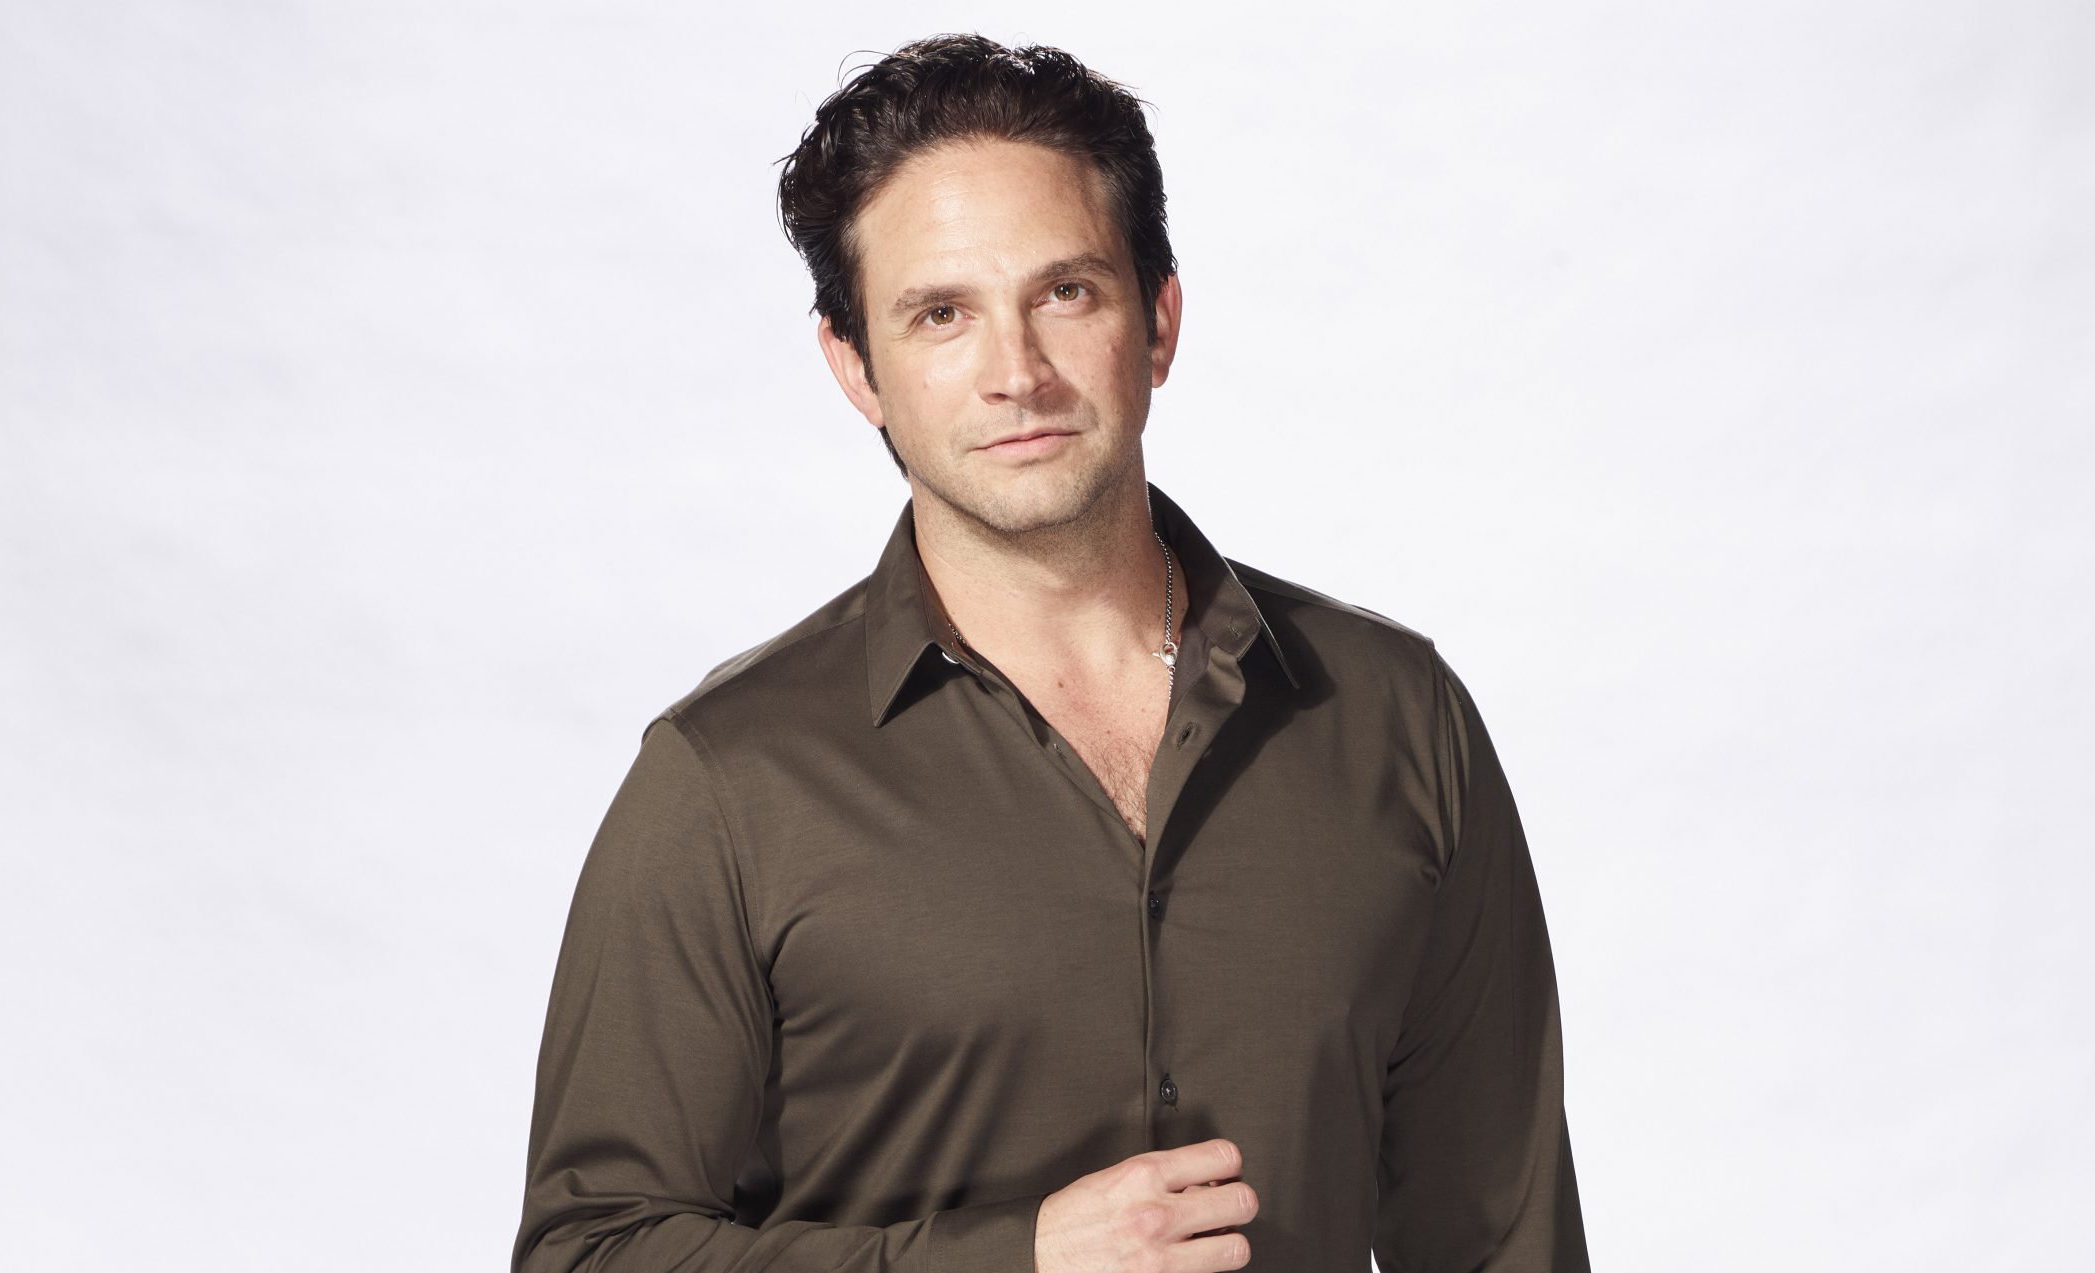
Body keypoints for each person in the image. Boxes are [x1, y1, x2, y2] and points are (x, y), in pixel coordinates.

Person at [512, 32, 1590, 1273]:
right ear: (855, 366)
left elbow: (1504, 1242)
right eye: (941, 315)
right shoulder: (728, 783)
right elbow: (589, 1253)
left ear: (1159, 320)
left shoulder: (1394, 718)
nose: (1015, 374)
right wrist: (1009, 1260)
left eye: (1065, 293)